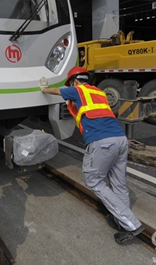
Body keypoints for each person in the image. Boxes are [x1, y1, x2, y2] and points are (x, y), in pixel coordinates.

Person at [40, 66, 144, 244]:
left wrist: (44, 88)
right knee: (118, 183)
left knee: (93, 180)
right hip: (120, 139)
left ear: (74, 81)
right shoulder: (99, 92)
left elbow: (57, 91)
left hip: (102, 142)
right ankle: (121, 220)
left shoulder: (77, 89)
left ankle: (131, 224)